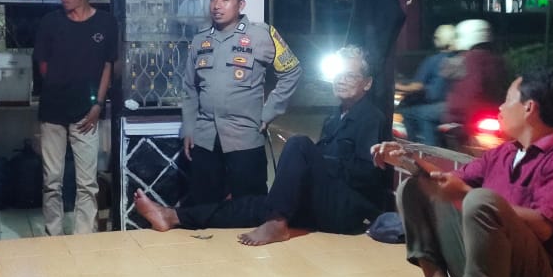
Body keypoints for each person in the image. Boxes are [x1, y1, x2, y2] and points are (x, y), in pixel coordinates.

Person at [370, 67, 553, 277]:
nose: (500, 108)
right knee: (415, 188)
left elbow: (543, 228)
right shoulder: (504, 153)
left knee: (480, 201)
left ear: (529, 108)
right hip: (491, 273)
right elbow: (446, 183)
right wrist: (406, 159)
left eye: (507, 100)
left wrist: (469, 195)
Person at [137, 46, 390, 244]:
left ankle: (278, 223)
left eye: (350, 76)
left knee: (299, 144)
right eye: (338, 75)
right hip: (323, 203)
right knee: (254, 205)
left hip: (349, 211)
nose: (342, 80)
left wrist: (317, 164)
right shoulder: (334, 119)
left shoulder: (371, 118)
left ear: (367, 83)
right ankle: (173, 216)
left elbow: (366, 174)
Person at [180, 0, 302, 206]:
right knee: (202, 208)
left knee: (250, 208)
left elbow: (292, 71)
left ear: (241, 4)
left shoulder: (262, 35)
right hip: (205, 140)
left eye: (225, 0)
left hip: (245, 139)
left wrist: (269, 113)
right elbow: (189, 88)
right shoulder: (200, 40)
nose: (217, 6)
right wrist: (188, 128)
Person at [34, 0, 118, 235]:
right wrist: (59, 86)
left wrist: (97, 104)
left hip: (87, 114)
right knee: (52, 180)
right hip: (52, 112)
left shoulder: (105, 23)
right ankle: (54, 235)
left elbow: (108, 65)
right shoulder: (50, 23)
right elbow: (42, 64)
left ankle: (84, 238)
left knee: (87, 183)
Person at [398, 24, 458, 146]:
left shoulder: (434, 60)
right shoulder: (459, 59)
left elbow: (417, 86)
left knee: (407, 111)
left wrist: (397, 87)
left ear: (439, 39)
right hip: (453, 104)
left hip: (438, 105)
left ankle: (419, 148)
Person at [442, 19, 507, 126]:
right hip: (493, 111)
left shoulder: (460, 59)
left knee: (421, 113)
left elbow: (443, 83)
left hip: (461, 114)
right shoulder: (498, 60)